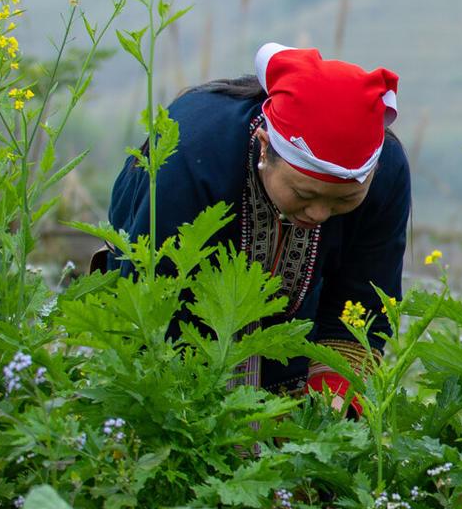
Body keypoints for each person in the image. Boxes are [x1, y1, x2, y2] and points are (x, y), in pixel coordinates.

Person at [105, 43, 410, 401]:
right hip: (179, 347)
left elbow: (360, 306)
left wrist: (331, 412)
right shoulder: (190, 153)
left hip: (296, 357)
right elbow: (149, 298)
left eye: (343, 200)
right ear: (265, 147)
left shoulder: (386, 171)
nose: (319, 214)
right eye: (304, 193)